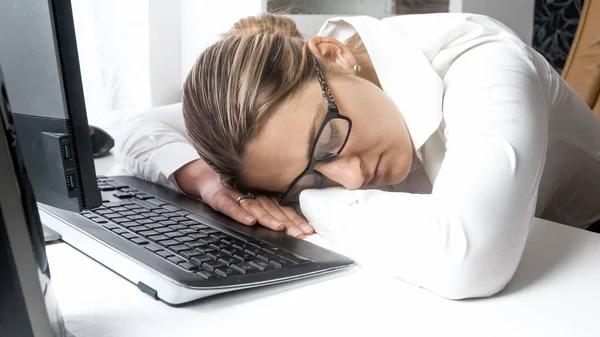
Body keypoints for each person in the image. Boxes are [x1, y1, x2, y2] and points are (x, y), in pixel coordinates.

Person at [118, 13, 600, 299]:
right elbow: (136, 128)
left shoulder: (481, 60)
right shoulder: (293, 103)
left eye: (328, 142)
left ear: (334, 55)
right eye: (310, 178)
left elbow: (469, 257)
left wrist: (305, 203)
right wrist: (212, 185)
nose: (349, 180)